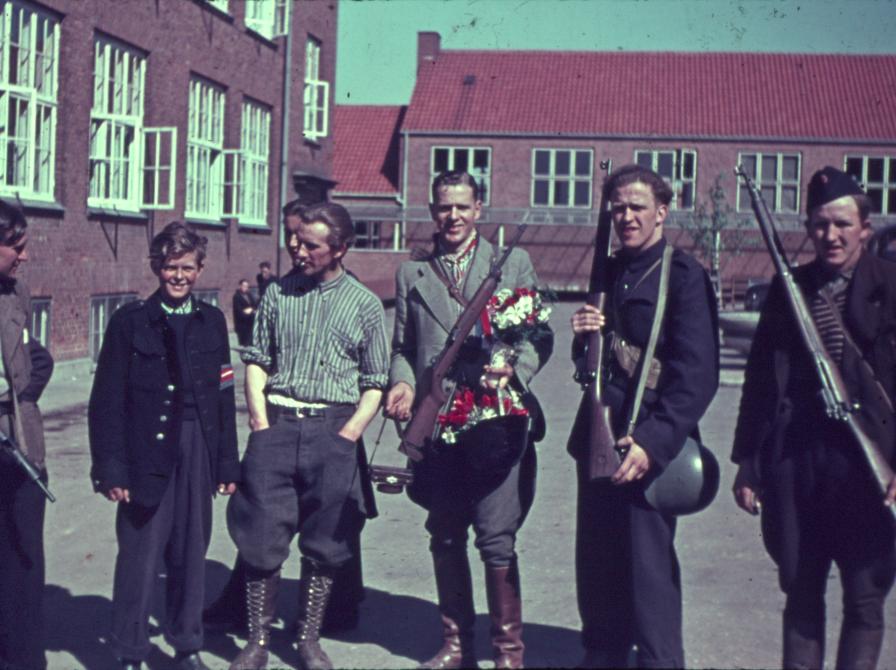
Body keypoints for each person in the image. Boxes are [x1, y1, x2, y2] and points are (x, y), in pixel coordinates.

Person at [385, 171, 552, 669]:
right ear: (431, 211)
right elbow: (402, 348)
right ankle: (457, 646)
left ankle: (508, 654)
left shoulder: (511, 263)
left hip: (495, 420)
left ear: (479, 208)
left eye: (461, 206)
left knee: (497, 536)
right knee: (445, 531)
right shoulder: (411, 274)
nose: (452, 216)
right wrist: (403, 383)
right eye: (442, 207)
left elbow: (538, 334)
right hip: (438, 423)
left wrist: (514, 369)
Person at [732, 166, 896, 670]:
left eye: (843, 224)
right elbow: (762, 379)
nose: (831, 236)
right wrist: (748, 463)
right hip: (800, 467)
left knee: (865, 603)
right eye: (821, 224)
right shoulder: (791, 288)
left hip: (872, 468)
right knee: (801, 599)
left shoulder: (892, 286)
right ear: (808, 227)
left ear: (865, 229)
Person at [568, 164, 719, 668]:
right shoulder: (607, 270)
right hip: (596, 432)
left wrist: (654, 442)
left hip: (646, 441)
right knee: (597, 559)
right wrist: (583, 333)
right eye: (618, 208)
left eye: (637, 207)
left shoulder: (683, 275)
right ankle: (604, 651)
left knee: (648, 570)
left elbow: (696, 375)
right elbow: (591, 363)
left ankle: (659, 661)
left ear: (662, 211)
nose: (627, 217)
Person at [226, 201, 388, 670]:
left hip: (333, 431)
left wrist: (349, 434)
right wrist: (259, 422)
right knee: (260, 536)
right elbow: (257, 359)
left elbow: (375, 380)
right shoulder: (278, 293)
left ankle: (307, 640)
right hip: (276, 425)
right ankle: (256, 642)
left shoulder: (365, 306)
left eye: (310, 245)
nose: (297, 249)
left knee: (324, 543)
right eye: (297, 241)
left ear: (340, 249)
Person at [88, 222, 239, 670]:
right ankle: (130, 650)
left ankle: (187, 644)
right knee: (139, 556)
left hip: (198, 448)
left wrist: (226, 465)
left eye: (187, 268)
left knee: (191, 553)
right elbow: (107, 402)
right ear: (157, 267)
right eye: (170, 267)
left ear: (200, 269)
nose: (178, 276)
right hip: (145, 453)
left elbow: (223, 397)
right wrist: (112, 470)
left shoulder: (211, 321)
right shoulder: (130, 322)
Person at [0, 200, 53, 670]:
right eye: (16, 247)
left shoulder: (16, 290)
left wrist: (20, 394)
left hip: (18, 445)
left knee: (22, 561)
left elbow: (35, 357)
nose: (25, 255)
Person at [231, 279, 257, 347]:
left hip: (250, 323)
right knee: (243, 345)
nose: (245, 288)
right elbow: (239, 312)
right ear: (240, 286)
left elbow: (254, 305)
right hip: (242, 325)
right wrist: (250, 310)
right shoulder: (237, 297)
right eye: (244, 286)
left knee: (251, 344)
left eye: (247, 286)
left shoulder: (250, 295)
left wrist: (250, 310)